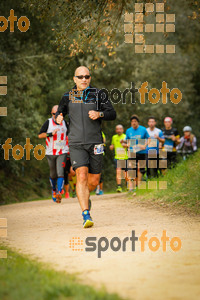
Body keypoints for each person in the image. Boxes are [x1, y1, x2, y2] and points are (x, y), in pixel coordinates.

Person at [55, 66, 116, 228]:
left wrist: (99, 114)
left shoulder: (99, 95)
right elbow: (59, 113)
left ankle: (85, 196)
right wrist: (58, 118)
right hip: (75, 143)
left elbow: (112, 113)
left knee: (94, 180)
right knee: (81, 175)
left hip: (95, 142)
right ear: (74, 79)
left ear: (90, 78)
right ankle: (85, 214)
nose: (84, 79)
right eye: (80, 77)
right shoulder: (67, 96)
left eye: (87, 76)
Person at [38, 105, 68, 203]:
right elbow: (40, 135)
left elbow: (70, 134)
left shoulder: (65, 123)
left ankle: (59, 192)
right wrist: (50, 134)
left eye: (58, 113)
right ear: (52, 114)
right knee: (53, 174)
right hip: (50, 152)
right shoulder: (48, 122)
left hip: (62, 152)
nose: (56, 115)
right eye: (54, 114)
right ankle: (54, 190)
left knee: (60, 172)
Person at [122, 115, 150, 190]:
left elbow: (149, 138)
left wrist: (145, 145)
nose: (133, 123)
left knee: (141, 169)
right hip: (132, 152)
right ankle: (132, 186)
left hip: (142, 152)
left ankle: (139, 185)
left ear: (138, 122)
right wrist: (124, 144)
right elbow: (126, 141)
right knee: (132, 169)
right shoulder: (128, 130)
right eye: (132, 122)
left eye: (135, 121)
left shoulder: (143, 129)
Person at [110, 125, 128, 192]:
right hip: (117, 157)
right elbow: (113, 145)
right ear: (116, 130)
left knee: (126, 173)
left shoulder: (125, 136)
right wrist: (111, 147)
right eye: (117, 129)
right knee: (118, 172)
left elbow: (128, 146)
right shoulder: (114, 137)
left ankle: (127, 186)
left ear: (123, 130)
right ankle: (119, 187)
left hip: (125, 157)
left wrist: (124, 144)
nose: (119, 130)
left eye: (120, 129)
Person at [96, 131, 106, 195]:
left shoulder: (100, 132)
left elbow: (104, 142)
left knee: (99, 172)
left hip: (99, 154)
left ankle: (100, 189)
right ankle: (97, 188)